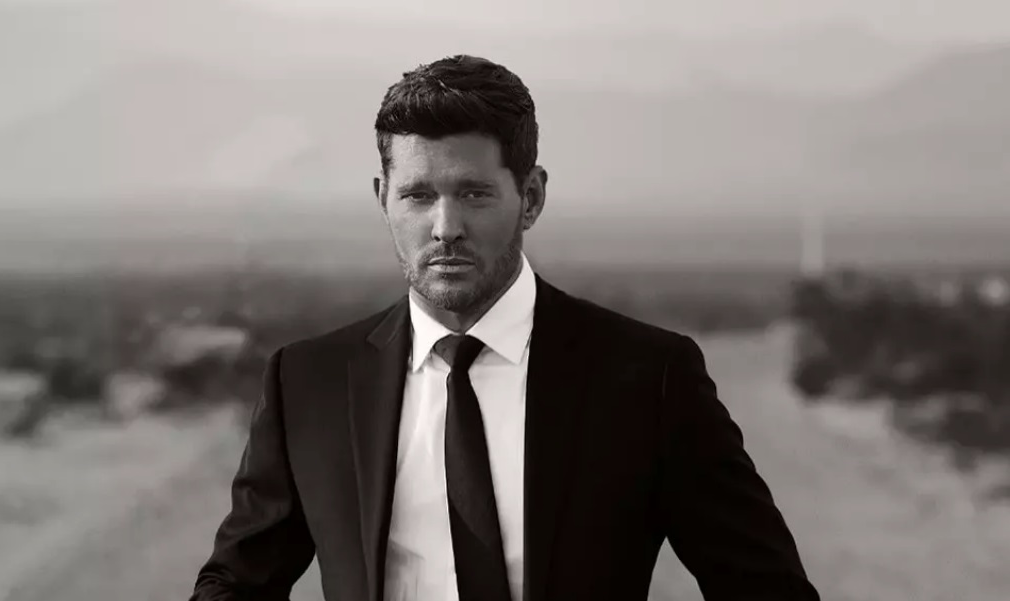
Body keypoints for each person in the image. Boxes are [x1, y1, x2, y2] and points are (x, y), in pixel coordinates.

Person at [190, 54, 820, 601]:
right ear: (382, 198)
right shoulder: (309, 383)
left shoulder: (648, 379)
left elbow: (767, 589)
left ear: (532, 197)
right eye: (417, 196)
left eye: (474, 194)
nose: (445, 228)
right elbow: (236, 584)